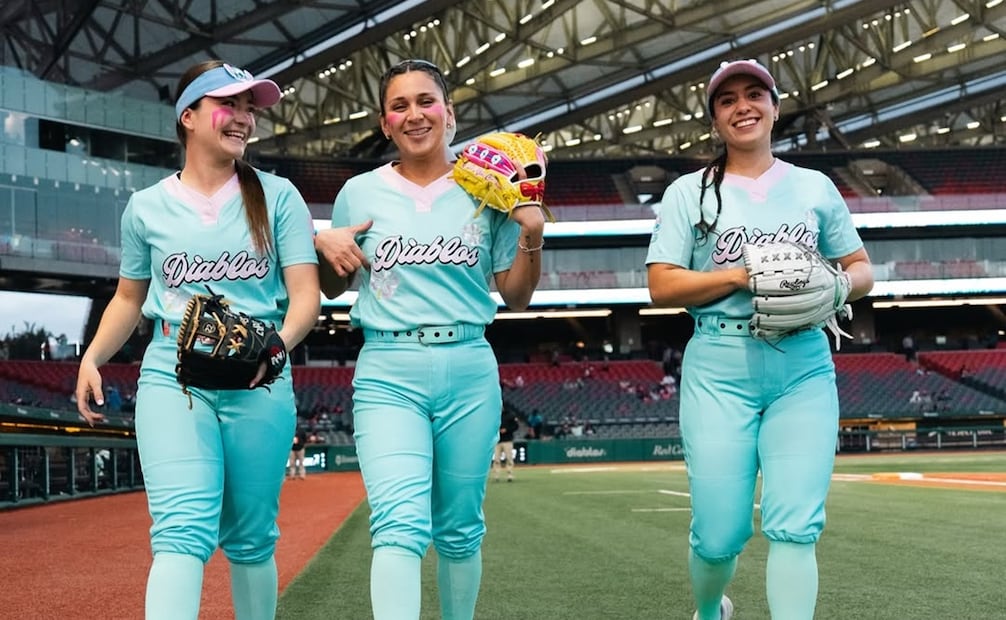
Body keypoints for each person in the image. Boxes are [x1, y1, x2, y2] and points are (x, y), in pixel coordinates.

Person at [74, 60, 320, 620]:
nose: (243, 118)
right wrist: (93, 356)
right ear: (188, 116)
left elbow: (305, 295)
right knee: (181, 529)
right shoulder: (146, 206)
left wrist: (276, 347)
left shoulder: (278, 196)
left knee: (252, 537)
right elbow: (129, 298)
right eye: (228, 105)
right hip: (174, 373)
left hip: (259, 376)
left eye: (249, 108)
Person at [314, 58, 546, 620]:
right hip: (388, 368)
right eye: (399, 106)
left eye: (426, 101)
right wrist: (325, 245)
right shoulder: (358, 192)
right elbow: (331, 286)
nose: (414, 114)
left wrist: (532, 234)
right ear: (385, 122)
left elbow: (516, 296)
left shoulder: (486, 188)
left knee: (461, 529)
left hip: (469, 366)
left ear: (449, 112)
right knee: (398, 523)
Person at [645, 59, 874, 620]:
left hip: (802, 361)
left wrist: (838, 287)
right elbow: (662, 285)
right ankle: (710, 610)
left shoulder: (814, 187)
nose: (742, 106)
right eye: (727, 100)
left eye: (755, 94)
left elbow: (862, 267)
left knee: (796, 525)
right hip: (719, 363)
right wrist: (739, 277)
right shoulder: (689, 192)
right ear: (715, 119)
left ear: (775, 107)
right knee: (718, 532)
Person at [492, 408, 520, 482]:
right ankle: (496, 475)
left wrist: (507, 429)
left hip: (507, 440)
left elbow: (516, 426)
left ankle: (510, 474)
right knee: (496, 459)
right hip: (497, 440)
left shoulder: (510, 415)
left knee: (509, 458)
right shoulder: (494, 415)